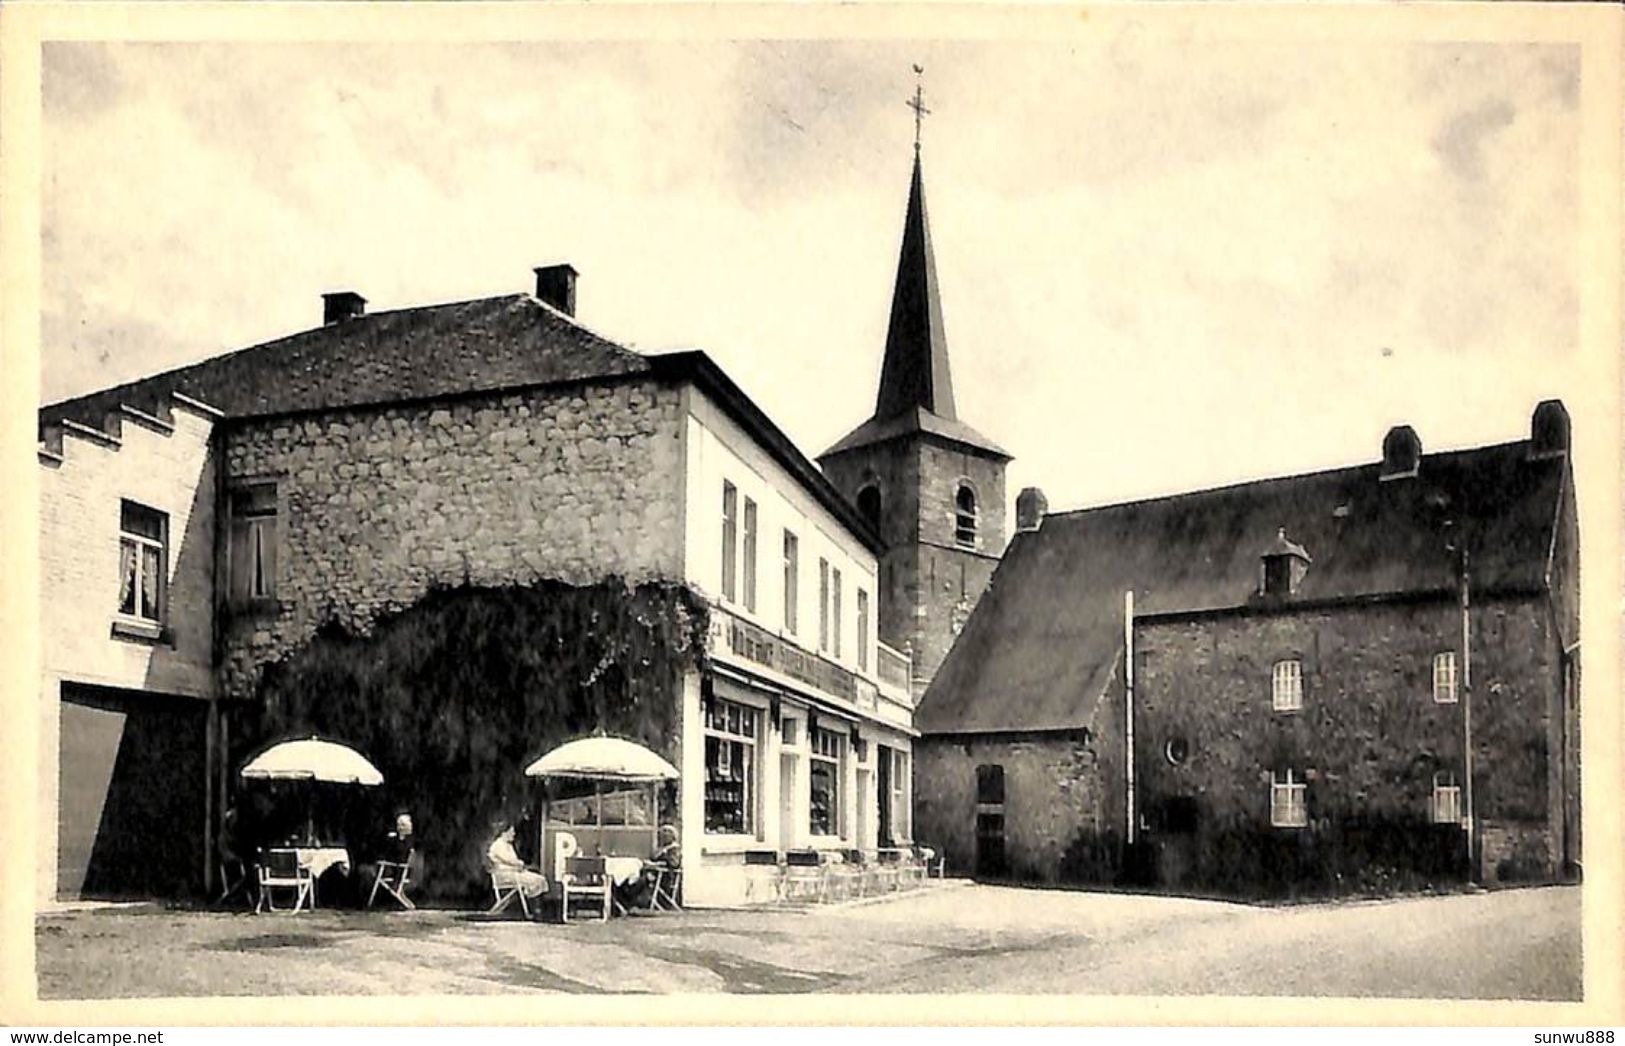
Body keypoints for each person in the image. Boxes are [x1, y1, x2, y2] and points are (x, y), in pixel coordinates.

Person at [486, 822, 547, 913]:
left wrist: (519, 865)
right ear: (504, 833)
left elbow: (514, 862)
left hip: (513, 872)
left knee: (540, 879)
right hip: (505, 875)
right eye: (511, 832)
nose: (514, 834)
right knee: (536, 880)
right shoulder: (498, 845)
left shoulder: (508, 845)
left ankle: (533, 907)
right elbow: (509, 860)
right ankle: (533, 908)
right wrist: (519, 864)